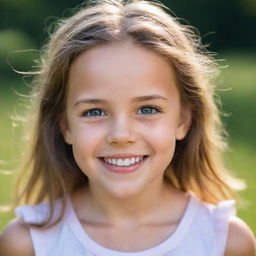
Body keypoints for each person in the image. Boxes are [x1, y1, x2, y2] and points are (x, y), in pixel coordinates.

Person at [0, 0, 255, 255]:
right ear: (65, 126)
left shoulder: (226, 242)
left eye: (147, 109)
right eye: (94, 111)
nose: (121, 135)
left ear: (183, 121)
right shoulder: (28, 243)